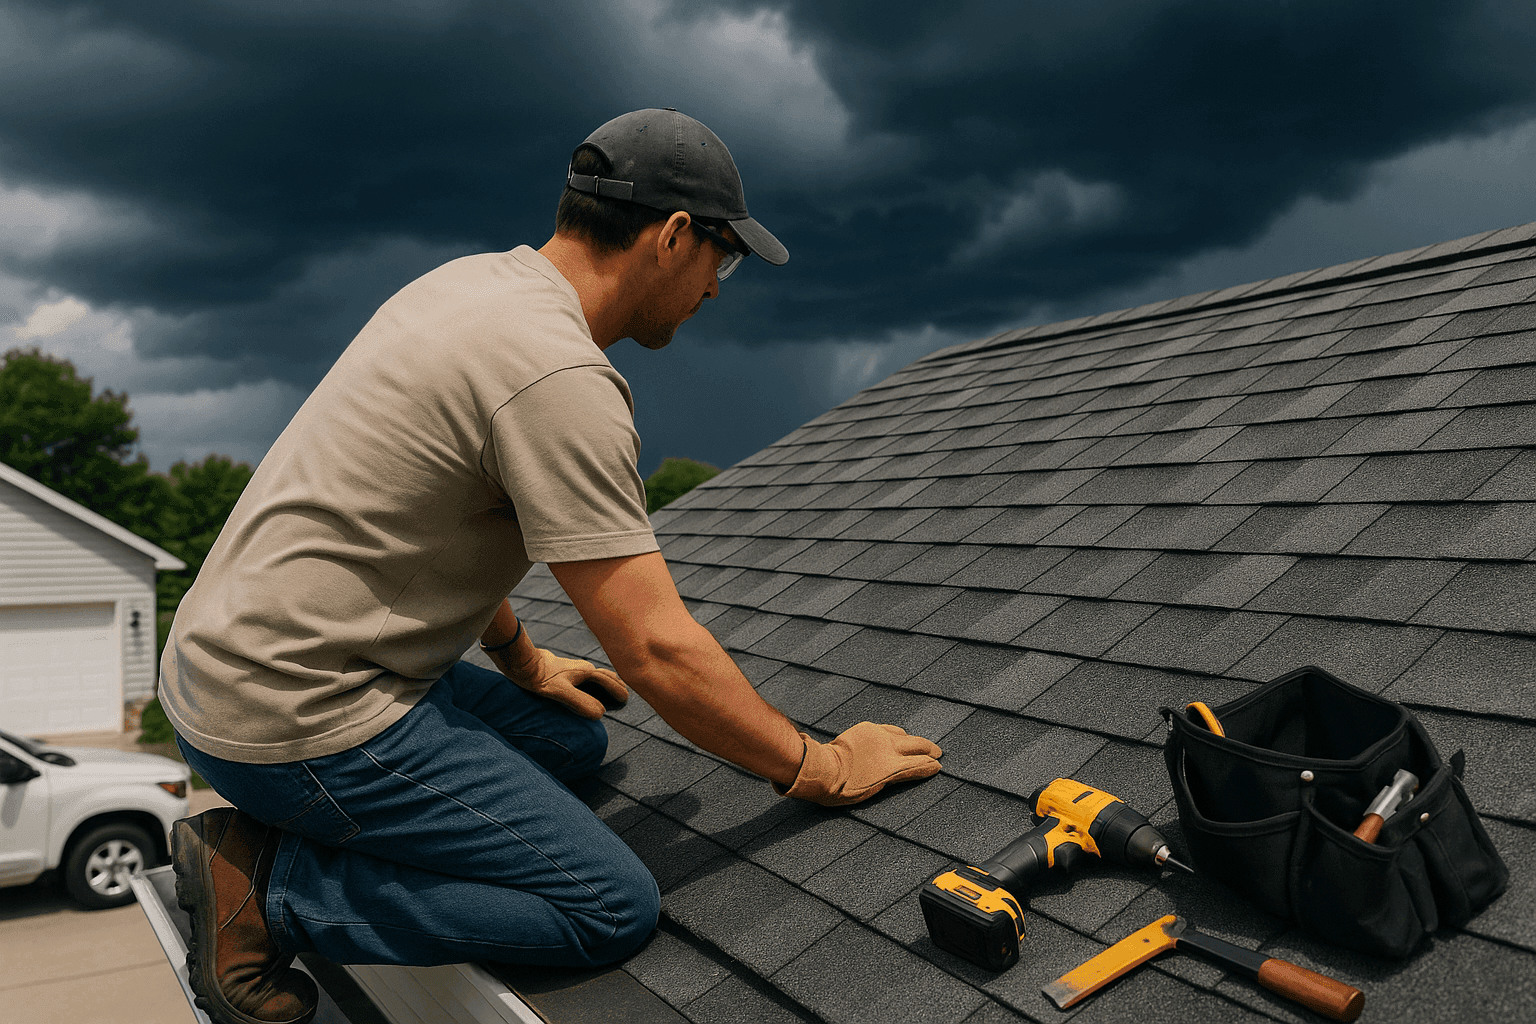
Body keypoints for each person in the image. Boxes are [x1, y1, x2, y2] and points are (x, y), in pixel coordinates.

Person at [161, 108, 944, 1024]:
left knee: (571, 739)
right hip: (298, 719)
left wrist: (525, 660)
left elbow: (430, 509)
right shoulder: (557, 379)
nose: (718, 291)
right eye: (721, 260)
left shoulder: (471, 286)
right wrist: (818, 763)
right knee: (607, 907)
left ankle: (284, 836)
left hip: (230, 666)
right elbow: (656, 648)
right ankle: (269, 885)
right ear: (674, 237)